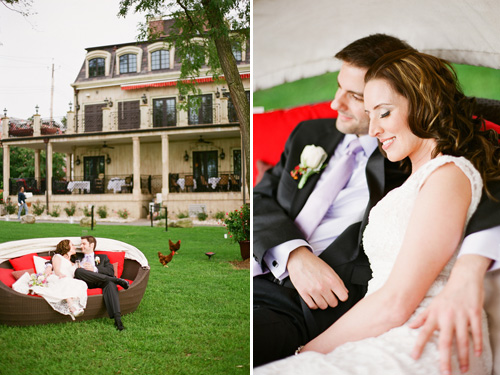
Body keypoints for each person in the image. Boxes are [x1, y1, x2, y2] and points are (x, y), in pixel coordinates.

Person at [253, 34, 500, 369]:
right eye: (339, 87)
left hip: (320, 305)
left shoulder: (413, 161)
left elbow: (476, 179)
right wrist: (293, 254)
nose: (334, 104)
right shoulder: (307, 135)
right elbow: (258, 200)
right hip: (260, 269)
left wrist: (468, 273)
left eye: (355, 97)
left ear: (418, 101)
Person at [13, 239, 87, 319]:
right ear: (66, 247)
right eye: (72, 245)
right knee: (65, 281)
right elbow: (57, 269)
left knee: (81, 283)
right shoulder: (58, 257)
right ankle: (72, 307)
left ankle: (73, 307)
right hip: (58, 277)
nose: (75, 247)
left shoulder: (74, 263)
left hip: (69, 280)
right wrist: (60, 274)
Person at [73, 235, 130, 330]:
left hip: (101, 281)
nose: (80, 246)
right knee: (78, 271)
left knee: (110, 284)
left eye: (83, 244)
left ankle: (118, 320)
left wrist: (94, 269)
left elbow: (110, 271)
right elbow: (59, 259)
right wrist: (49, 265)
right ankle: (116, 280)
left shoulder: (102, 257)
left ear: (91, 245)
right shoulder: (76, 257)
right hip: (85, 282)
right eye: (80, 244)